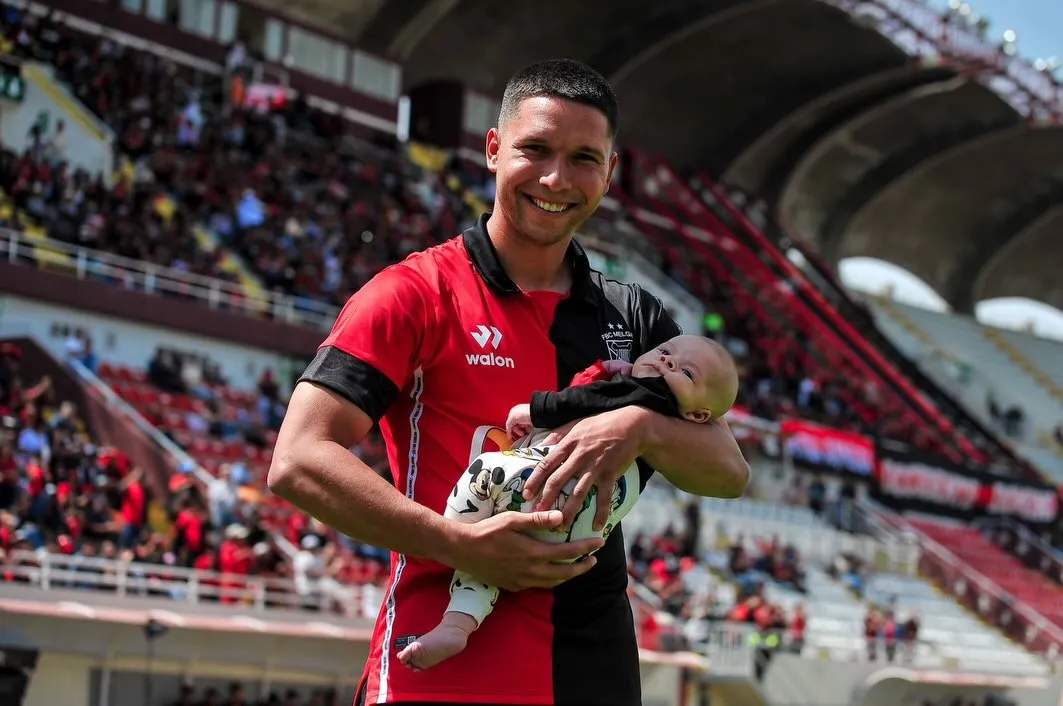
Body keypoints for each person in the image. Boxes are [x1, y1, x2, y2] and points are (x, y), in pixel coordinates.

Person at [268, 58, 749, 706]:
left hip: (590, 667)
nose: (556, 178)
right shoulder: (413, 293)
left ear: (608, 173)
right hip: (441, 663)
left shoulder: (634, 319)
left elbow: (727, 471)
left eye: (583, 157)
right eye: (536, 149)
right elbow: (298, 459)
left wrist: (636, 424)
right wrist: (456, 542)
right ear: (494, 150)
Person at [398, 335, 739, 670]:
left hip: (552, 487)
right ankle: (458, 624)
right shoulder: (673, 427)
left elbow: (590, 398)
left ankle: (452, 539)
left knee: (485, 471)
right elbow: (593, 391)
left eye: (686, 372)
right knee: (487, 563)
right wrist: (606, 368)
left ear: (697, 415)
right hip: (579, 536)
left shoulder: (649, 397)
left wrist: (537, 410)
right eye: (665, 351)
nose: (667, 362)